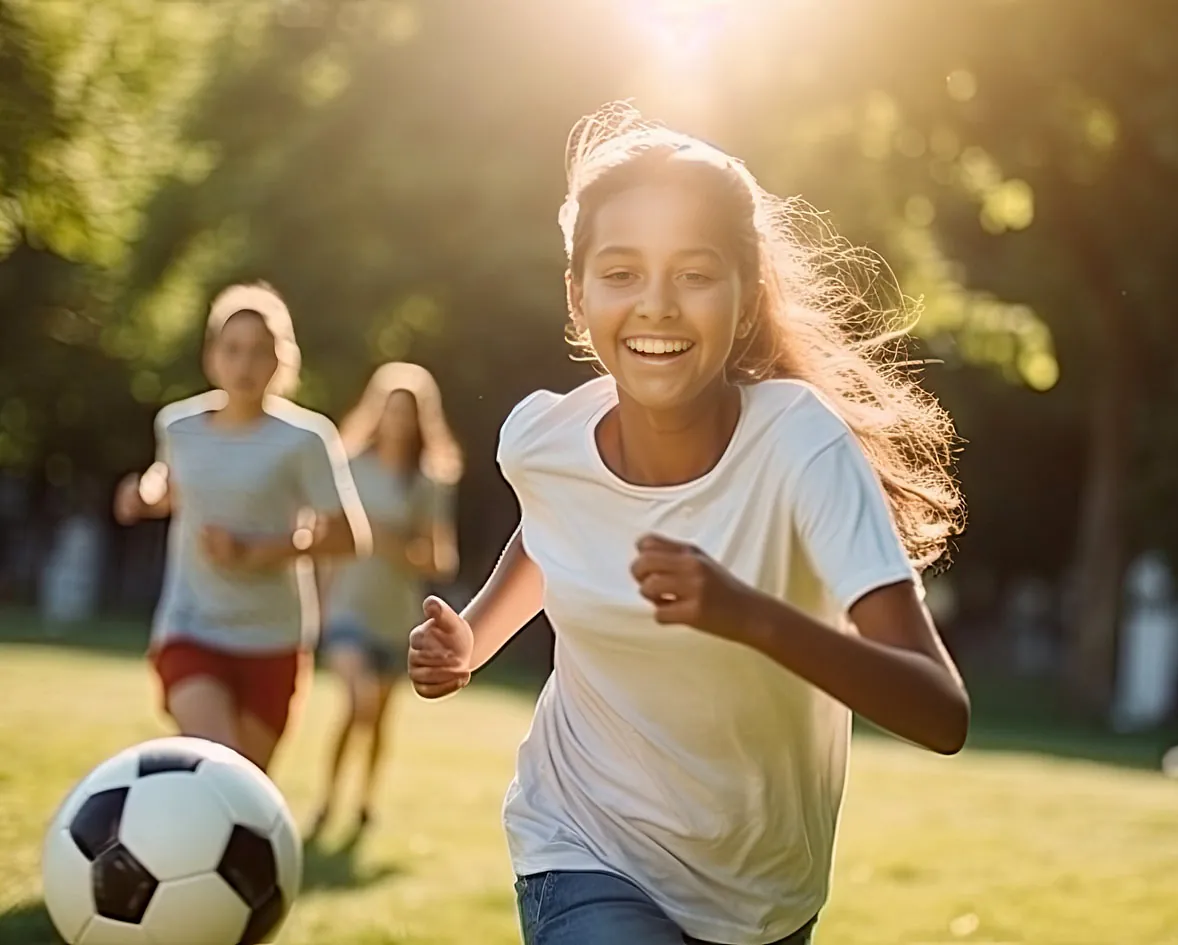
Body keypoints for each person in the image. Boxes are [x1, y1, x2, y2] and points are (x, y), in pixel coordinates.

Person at [408, 102, 971, 945]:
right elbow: (551, 525)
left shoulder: (800, 446)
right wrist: (475, 637)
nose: (657, 305)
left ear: (746, 300)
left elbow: (941, 711)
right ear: (578, 295)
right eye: (622, 272)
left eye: (696, 274)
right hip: (582, 842)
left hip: (762, 896)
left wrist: (748, 615)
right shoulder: (542, 437)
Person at [114, 282, 371, 772]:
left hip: (272, 636)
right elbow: (170, 481)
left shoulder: (307, 439)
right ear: (213, 357)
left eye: (259, 352)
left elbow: (349, 538)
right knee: (218, 765)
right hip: (189, 625)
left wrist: (260, 551)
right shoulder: (177, 426)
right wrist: (144, 495)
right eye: (233, 350)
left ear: (281, 360)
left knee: (245, 791)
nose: (245, 365)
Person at [308, 362, 462, 838]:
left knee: (379, 718)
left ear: (419, 420)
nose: (397, 421)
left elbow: (441, 560)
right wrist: (317, 601)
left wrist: (389, 542)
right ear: (378, 412)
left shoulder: (428, 483)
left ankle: (364, 802)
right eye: (391, 410)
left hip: (396, 616)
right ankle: (325, 800)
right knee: (359, 703)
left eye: (407, 413)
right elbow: (325, 539)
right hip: (347, 608)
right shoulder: (350, 466)